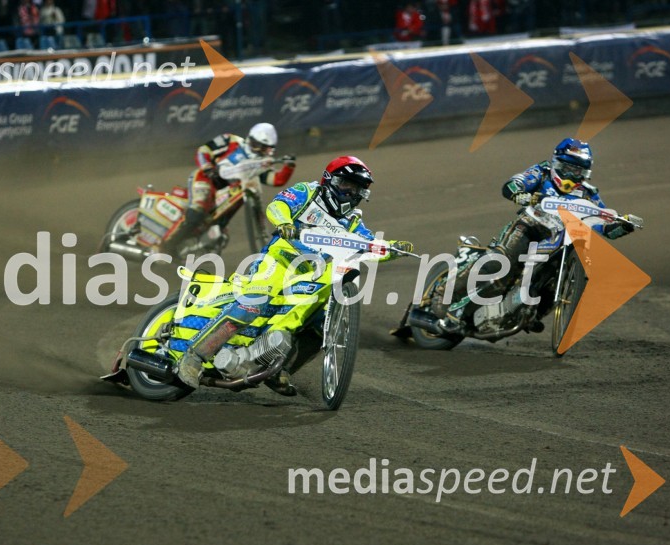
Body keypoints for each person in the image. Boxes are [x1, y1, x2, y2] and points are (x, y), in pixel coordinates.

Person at [175, 155, 414, 392]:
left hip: (310, 275)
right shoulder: (307, 192)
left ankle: (279, 369)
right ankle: (194, 356)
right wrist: (284, 223)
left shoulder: (352, 223)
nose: (350, 193)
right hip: (279, 260)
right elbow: (277, 206)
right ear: (328, 181)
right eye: (345, 185)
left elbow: (369, 246)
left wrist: (393, 248)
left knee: (321, 326)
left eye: (357, 190)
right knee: (252, 304)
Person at [433, 138, 639, 325]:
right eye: (566, 168)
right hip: (530, 227)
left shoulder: (589, 193)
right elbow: (513, 184)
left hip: (558, 240)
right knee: (501, 262)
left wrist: (622, 225)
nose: (570, 175)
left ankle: (530, 313)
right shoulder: (541, 172)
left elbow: (603, 224)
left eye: (576, 172)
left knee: (559, 276)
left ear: (585, 174)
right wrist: (520, 194)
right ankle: (445, 292)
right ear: (556, 163)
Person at [163, 122, 296, 255]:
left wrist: (289, 167)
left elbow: (275, 180)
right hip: (206, 179)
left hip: (228, 193)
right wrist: (207, 167)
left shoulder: (260, 164)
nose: (259, 151)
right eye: (257, 146)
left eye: (265, 149)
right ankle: (167, 246)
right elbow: (203, 151)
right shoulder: (230, 141)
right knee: (198, 209)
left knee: (220, 234)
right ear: (250, 140)